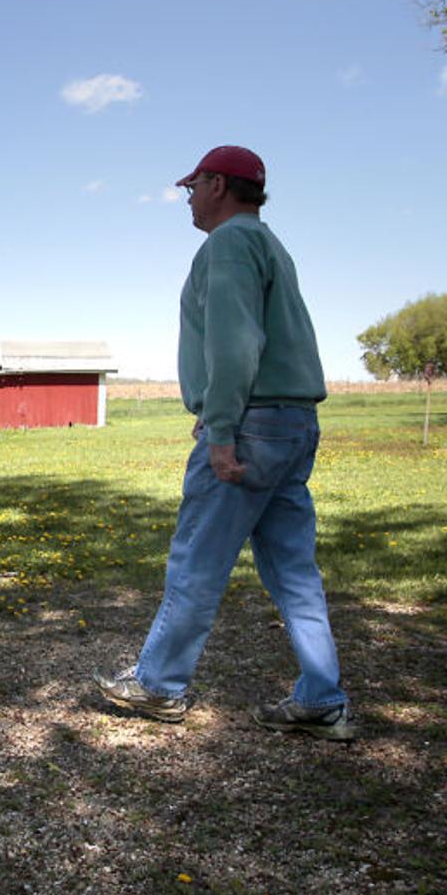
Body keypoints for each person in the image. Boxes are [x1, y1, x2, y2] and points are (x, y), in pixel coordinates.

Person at [93, 146, 355, 740]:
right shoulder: (269, 244)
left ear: (217, 184)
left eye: (192, 186)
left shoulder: (229, 245)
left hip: (252, 426)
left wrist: (221, 428)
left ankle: (159, 685)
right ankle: (321, 697)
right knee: (294, 570)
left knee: (198, 560)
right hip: (292, 423)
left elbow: (236, 343)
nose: (187, 197)